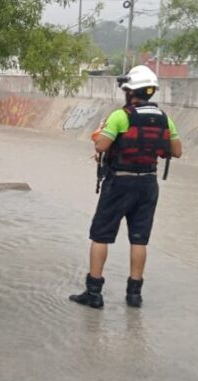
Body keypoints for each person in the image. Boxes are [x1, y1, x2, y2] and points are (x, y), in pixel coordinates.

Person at [69, 65, 182, 309]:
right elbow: (177, 151)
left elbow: (101, 146)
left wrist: (101, 133)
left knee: (101, 236)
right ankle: (134, 295)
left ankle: (94, 292)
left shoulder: (120, 116)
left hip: (120, 182)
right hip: (148, 184)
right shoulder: (165, 119)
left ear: (130, 92)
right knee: (139, 240)